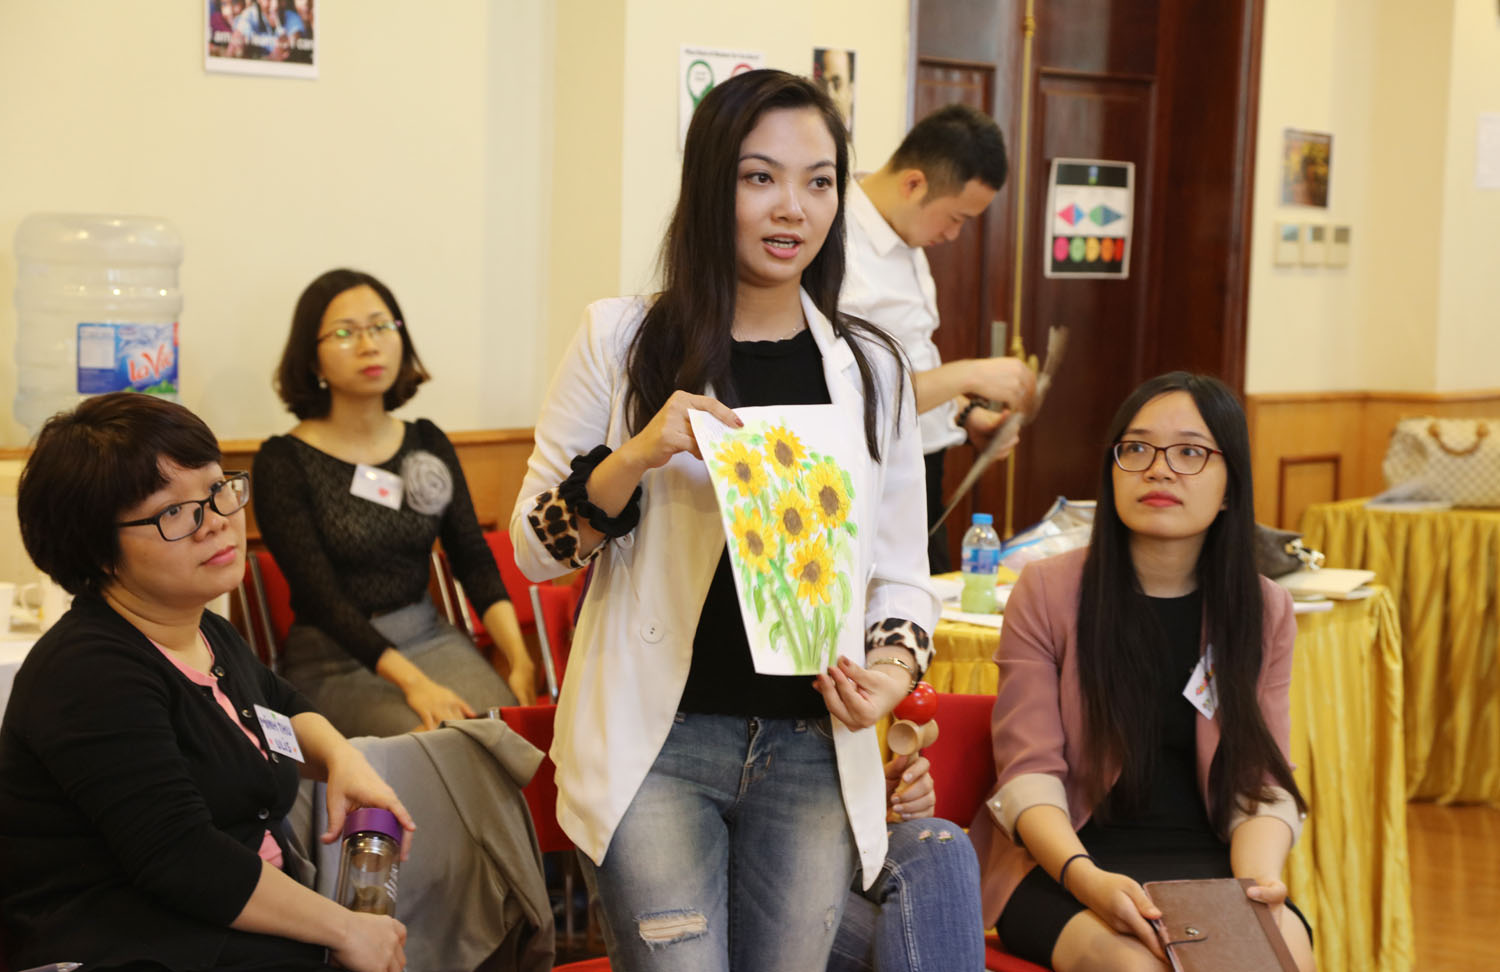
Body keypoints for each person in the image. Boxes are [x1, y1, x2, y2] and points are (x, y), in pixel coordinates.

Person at [510, 69, 940, 970]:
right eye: (760, 178)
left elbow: (902, 574)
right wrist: (635, 456)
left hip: (812, 751)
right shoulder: (622, 341)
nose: (793, 208)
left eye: (819, 182)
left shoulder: (873, 371)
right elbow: (536, 550)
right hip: (657, 746)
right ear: (712, 186)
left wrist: (891, 674)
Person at [0, 392, 414, 972]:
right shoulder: (88, 671)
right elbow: (181, 856)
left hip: (225, 924)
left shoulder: (204, 630)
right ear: (97, 550)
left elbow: (277, 705)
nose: (217, 521)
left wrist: (343, 760)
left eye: (218, 489)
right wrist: (345, 930)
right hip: (129, 944)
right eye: (174, 511)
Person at [969, 372, 1316, 971]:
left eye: (1190, 453)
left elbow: (1261, 779)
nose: (1159, 470)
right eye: (1137, 449)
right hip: (1065, 863)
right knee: (1141, 968)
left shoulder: (1263, 608)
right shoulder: (1048, 592)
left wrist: (1254, 889)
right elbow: (1030, 775)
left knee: (1284, 953)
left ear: (1230, 487)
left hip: (1210, 863)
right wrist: (1090, 881)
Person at [254, 268, 534, 739]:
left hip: (430, 636)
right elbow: (321, 598)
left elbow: (472, 557)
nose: (369, 344)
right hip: (335, 659)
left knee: (503, 732)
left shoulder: (427, 441)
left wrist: (519, 657)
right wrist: (415, 684)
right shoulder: (283, 461)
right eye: (345, 333)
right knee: (433, 740)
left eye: (381, 326)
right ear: (312, 358)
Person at [841, 103, 1036, 571]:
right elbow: (859, 395)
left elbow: (913, 361)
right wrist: (968, 374)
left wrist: (965, 415)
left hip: (923, 466)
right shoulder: (837, 245)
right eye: (956, 218)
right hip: (869, 477)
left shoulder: (906, 233)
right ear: (914, 184)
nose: (953, 235)